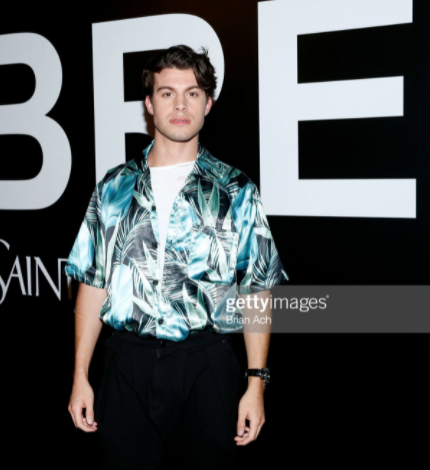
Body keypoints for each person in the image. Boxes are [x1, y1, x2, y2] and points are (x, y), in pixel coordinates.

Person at [65, 45, 289, 469]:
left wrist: (255, 384)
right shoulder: (113, 188)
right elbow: (92, 284)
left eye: (192, 92)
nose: (180, 104)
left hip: (207, 364)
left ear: (208, 103)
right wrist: (80, 376)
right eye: (167, 93)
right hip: (124, 365)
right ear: (149, 104)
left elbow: (256, 291)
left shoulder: (236, 190)